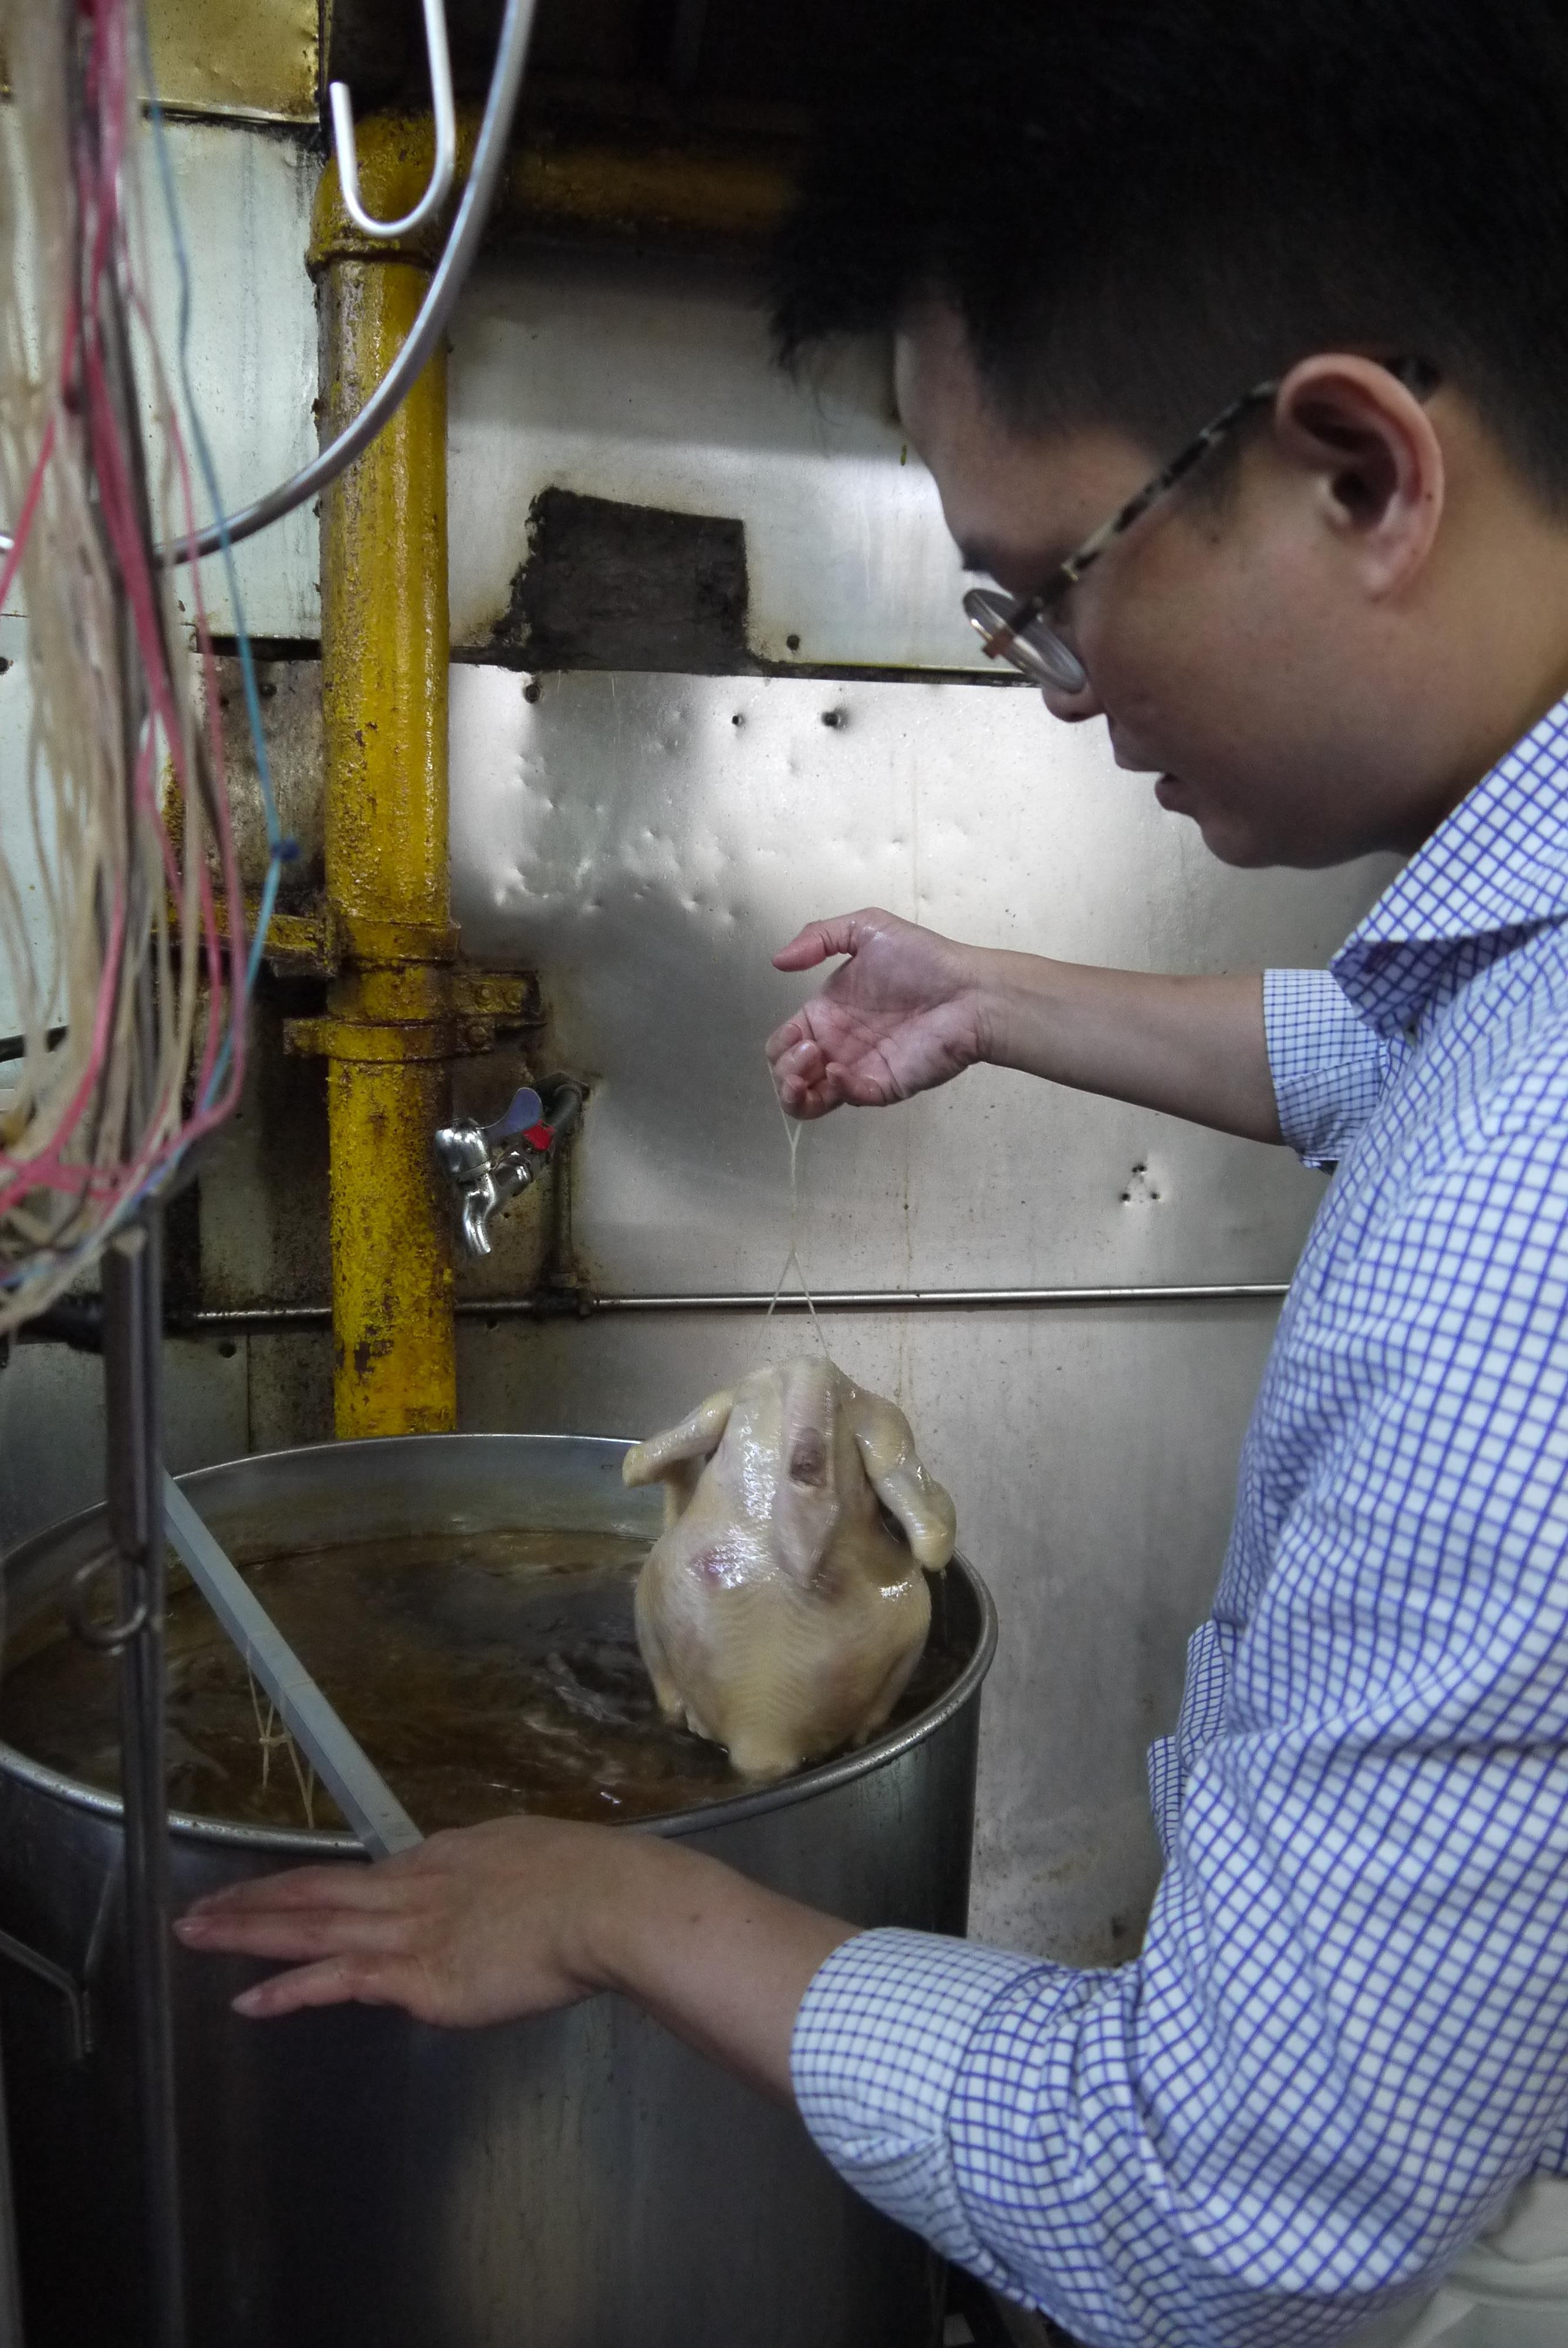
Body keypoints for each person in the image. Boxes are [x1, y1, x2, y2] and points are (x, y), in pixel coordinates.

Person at [175, 4, 1568, 2340]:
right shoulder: (1505, 997)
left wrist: (619, 1905)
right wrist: (998, 994)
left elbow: (1218, 2221)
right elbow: (1398, 1049)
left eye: (1048, 586)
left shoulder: (1498, 1242)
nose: (1053, 690)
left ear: (1354, 471)